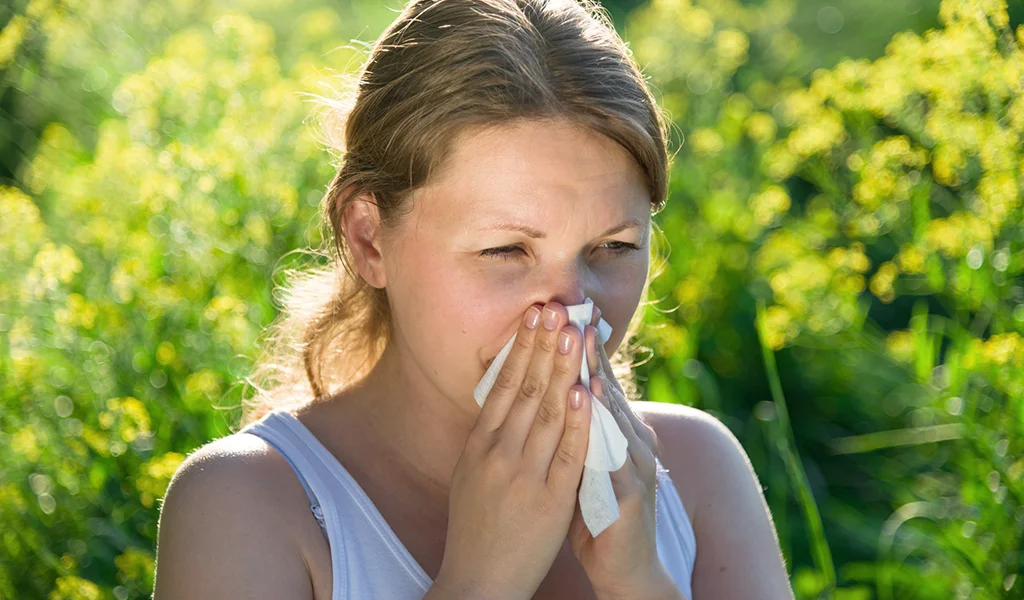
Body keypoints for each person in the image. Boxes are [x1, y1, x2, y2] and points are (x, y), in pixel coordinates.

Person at [151, 0, 795, 598]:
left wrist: (639, 581)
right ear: (370, 240)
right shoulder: (250, 506)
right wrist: (481, 579)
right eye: (506, 252)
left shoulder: (698, 470)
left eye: (613, 248)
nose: (571, 312)